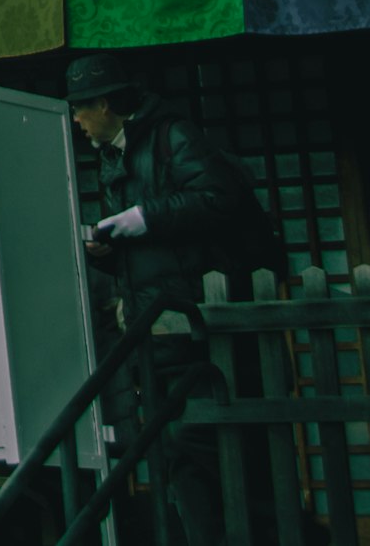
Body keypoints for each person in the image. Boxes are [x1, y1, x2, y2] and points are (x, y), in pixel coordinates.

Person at [70, 54, 289, 546]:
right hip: (160, 324)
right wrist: (110, 250)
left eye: (81, 109)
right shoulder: (117, 154)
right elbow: (151, 248)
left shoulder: (173, 137)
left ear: (104, 104)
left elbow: (218, 197)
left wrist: (141, 217)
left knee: (210, 442)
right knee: (178, 450)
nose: (77, 121)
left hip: (200, 322)